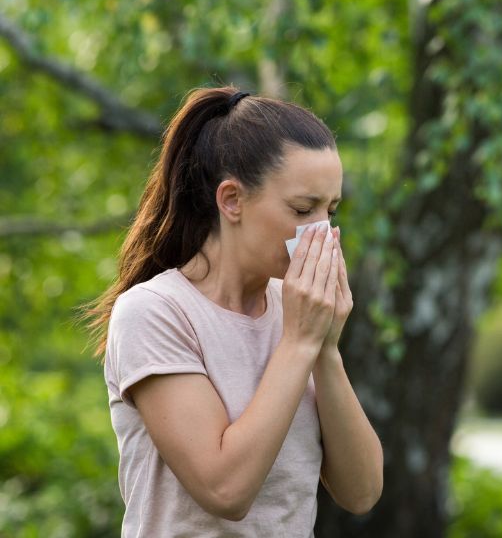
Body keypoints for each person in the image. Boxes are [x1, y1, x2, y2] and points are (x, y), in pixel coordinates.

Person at [81, 86, 384, 536]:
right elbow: (225, 492)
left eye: (331, 210)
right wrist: (300, 342)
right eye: (303, 209)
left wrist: (326, 349)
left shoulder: (296, 310)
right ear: (232, 201)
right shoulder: (155, 313)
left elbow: (360, 492)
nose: (322, 232)